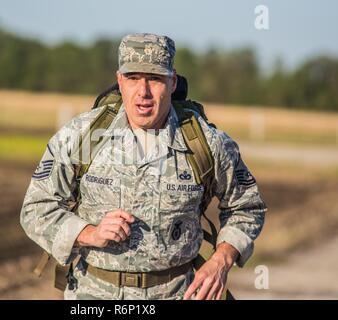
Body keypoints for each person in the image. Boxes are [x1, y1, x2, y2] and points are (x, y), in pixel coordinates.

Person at [20, 33, 267, 300]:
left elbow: (247, 207)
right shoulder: (81, 136)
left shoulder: (208, 144)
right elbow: (36, 208)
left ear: (172, 83)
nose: (143, 92)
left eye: (155, 79)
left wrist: (221, 261)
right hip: (92, 295)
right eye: (134, 78)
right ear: (119, 80)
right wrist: (88, 233)